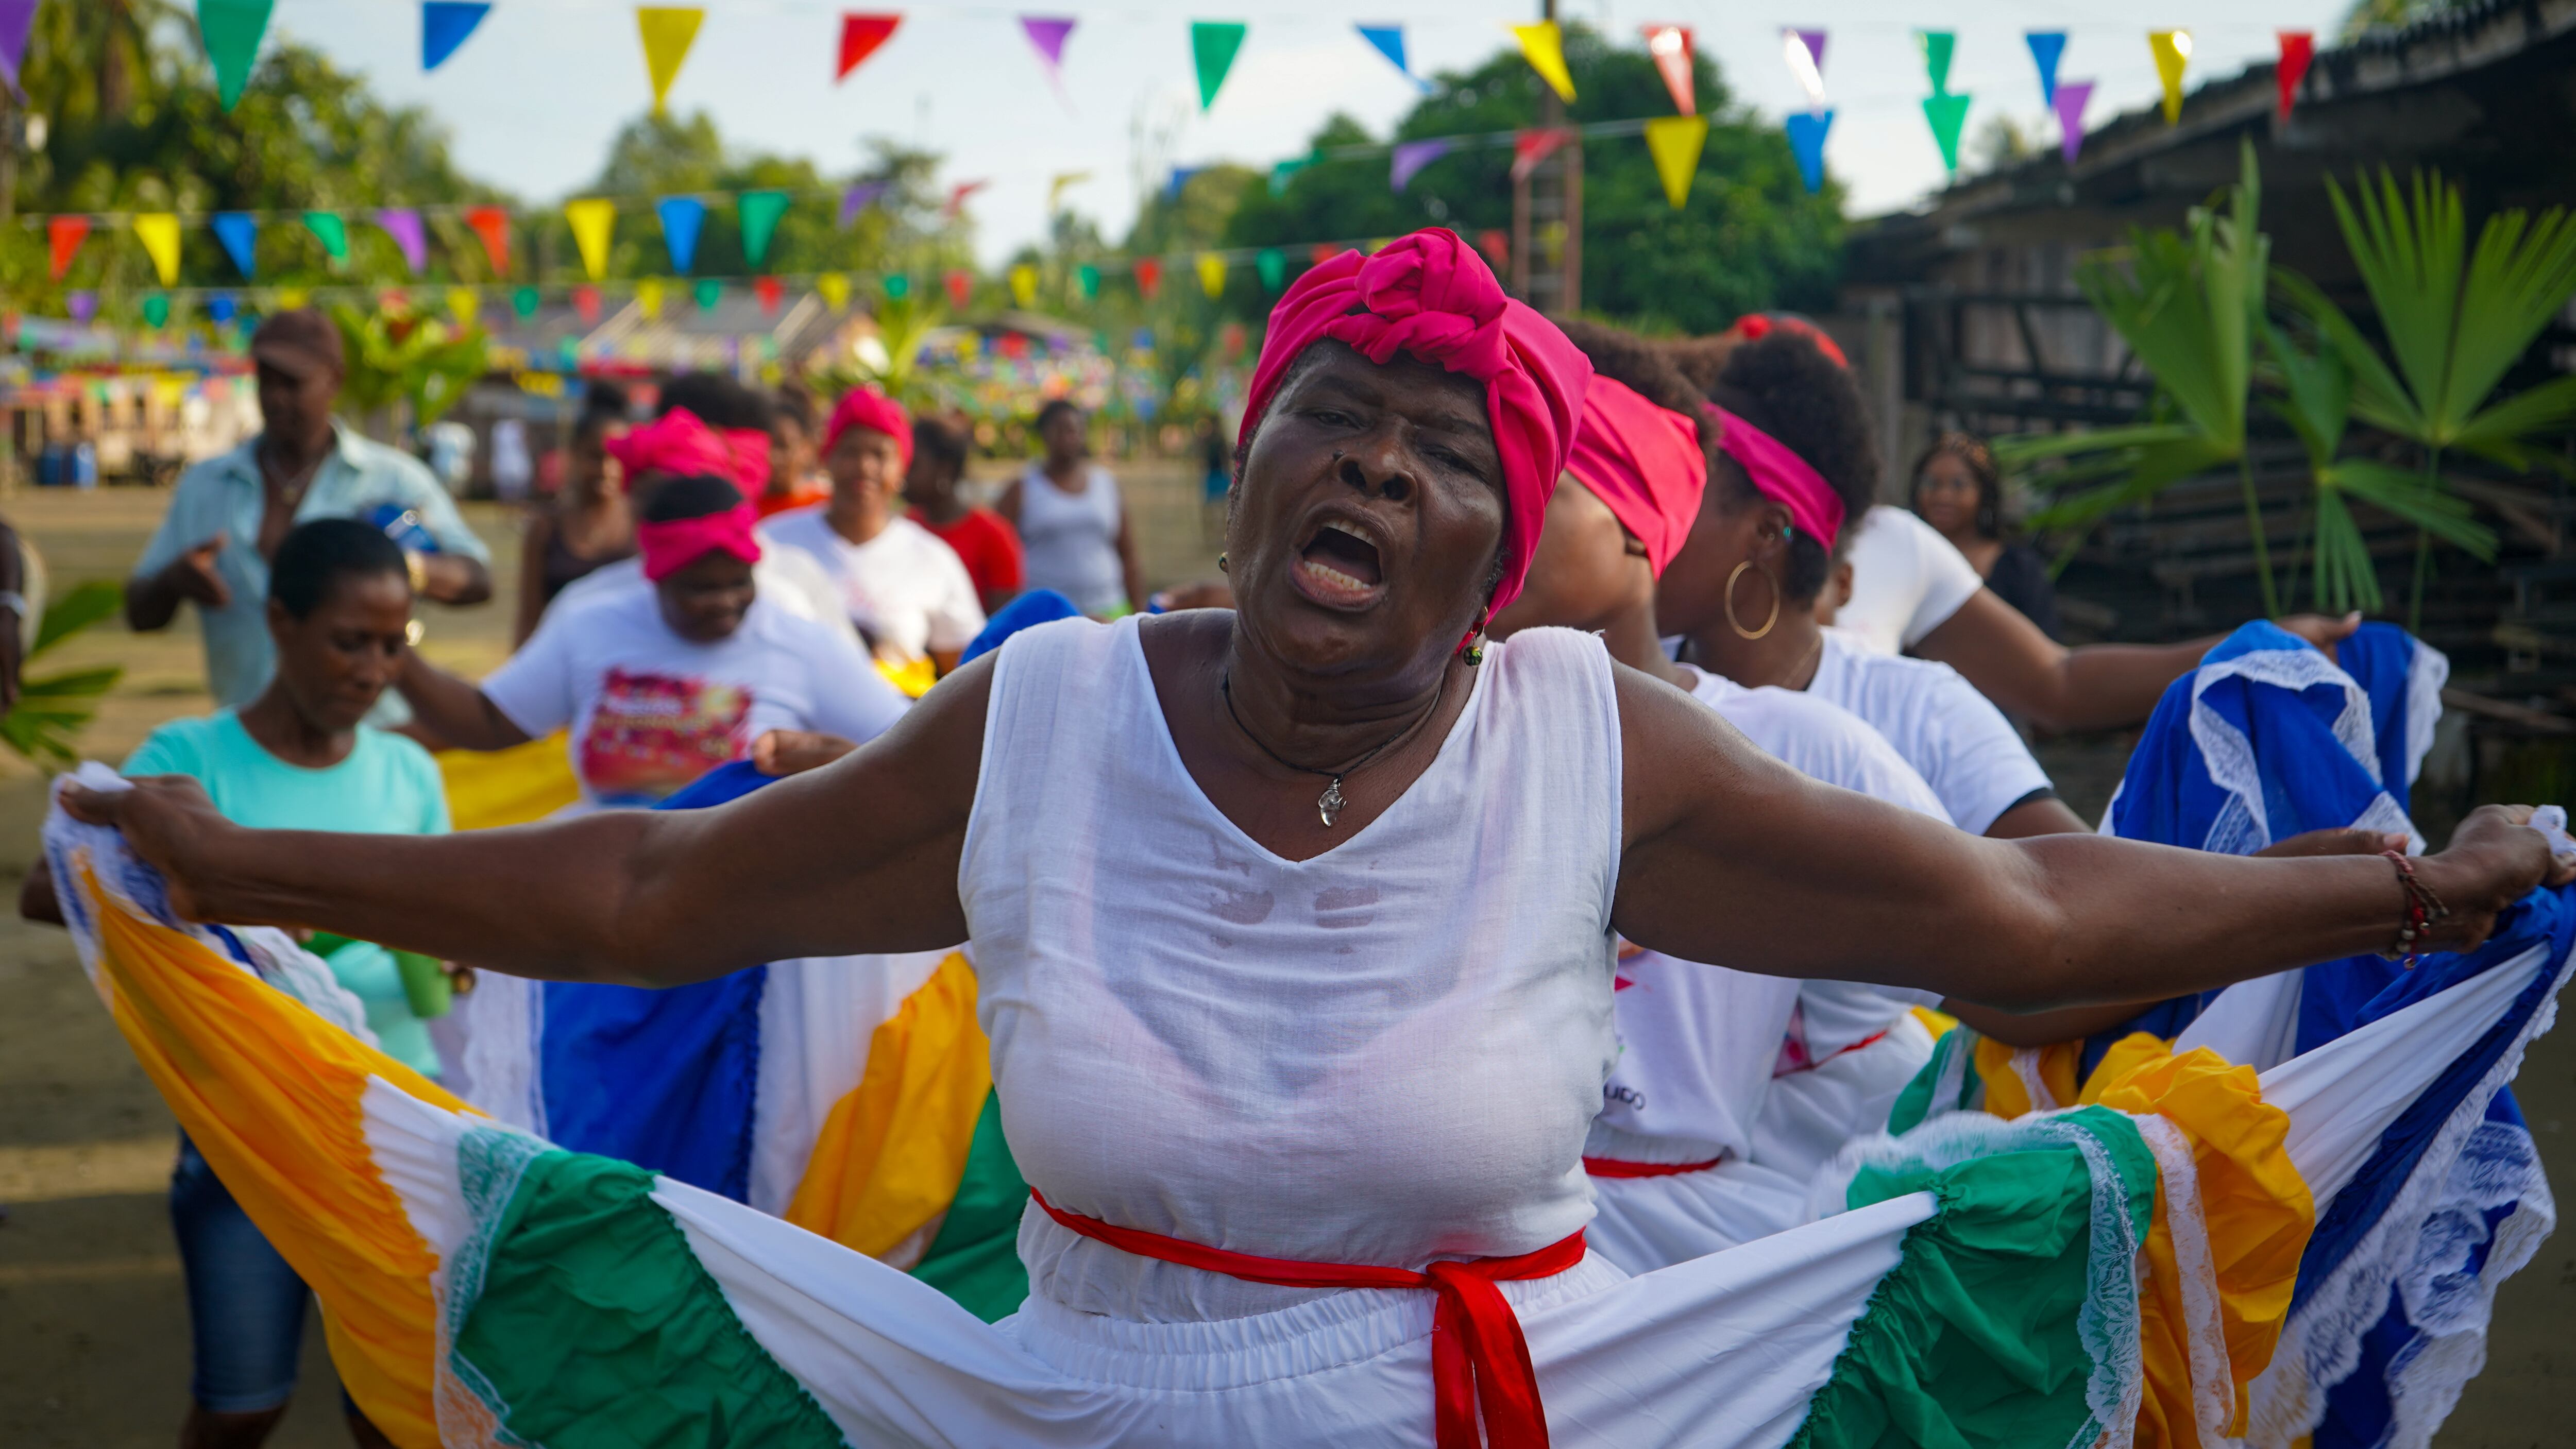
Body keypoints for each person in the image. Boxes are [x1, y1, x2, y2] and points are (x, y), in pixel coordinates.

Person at [72, 231, 2572, 1447]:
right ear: (1240, 462)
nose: (1381, 450)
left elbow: (2027, 922)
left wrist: (2393, 881)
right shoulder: (1043, 716)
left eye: (1451, 437)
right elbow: (649, 891)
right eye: (1334, 403)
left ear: (1511, 549)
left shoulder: (1600, 751)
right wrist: (256, 864)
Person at [32, 518, 448, 1449]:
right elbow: (49, 882)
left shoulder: (410, 773)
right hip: (242, 1131)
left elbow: (428, 966)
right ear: (280, 621)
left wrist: (450, 961)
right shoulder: (191, 758)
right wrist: (215, 899)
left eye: (395, 645)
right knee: (242, 1404)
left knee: (393, 1408)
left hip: (390, 1128)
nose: (374, 670)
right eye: (350, 641)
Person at [1655, 326, 2088, 839]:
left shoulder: (1921, 712)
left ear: (1767, 532)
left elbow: (2068, 886)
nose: (1646, 516)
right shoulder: (1625, 685)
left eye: (1678, 489)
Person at [398, 472, 906, 809]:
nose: (724, 601)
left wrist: (836, 760)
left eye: (739, 581)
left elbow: (911, 739)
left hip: (750, 920)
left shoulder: (800, 643)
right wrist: (397, 657)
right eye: (699, 588)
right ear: (654, 575)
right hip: (606, 902)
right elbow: (491, 722)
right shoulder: (590, 622)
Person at [125, 309, 493, 714]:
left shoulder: (392, 479)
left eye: (294, 383)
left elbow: (477, 579)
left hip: (371, 733)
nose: (276, 398)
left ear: (335, 379)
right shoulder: (207, 486)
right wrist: (174, 580)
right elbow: (139, 613)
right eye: (266, 382)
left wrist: (396, 567)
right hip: (249, 736)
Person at [761, 386, 985, 675]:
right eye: (851, 452)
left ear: (902, 468)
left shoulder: (933, 559)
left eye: (880, 455)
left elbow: (964, 675)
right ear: (827, 458)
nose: (864, 467)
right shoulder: (771, 543)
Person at [512, 381, 634, 645]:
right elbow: (529, 618)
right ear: (575, 455)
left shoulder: (641, 523)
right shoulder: (547, 527)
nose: (607, 469)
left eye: (618, 457)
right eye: (595, 457)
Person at [1907, 430, 2059, 639]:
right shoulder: (1904, 557)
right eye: (1931, 483)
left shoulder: (2019, 569)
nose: (1943, 496)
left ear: (1984, 493)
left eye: (1958, 485)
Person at [1001, 399, 1141, 616]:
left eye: (1076, 430)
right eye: (1061, 430)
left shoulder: (1106, 484)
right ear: (1044, 434)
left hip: (1110, 607)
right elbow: (998, 555)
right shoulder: (1023, 488)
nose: (1070, 437)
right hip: (1047, 615)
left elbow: (1128, 553)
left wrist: (1138, 611)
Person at [903, 412, 1025, 616]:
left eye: (913, 466)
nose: (903, 474)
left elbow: (1003, 627)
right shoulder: (905, 528)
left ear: (945, 470)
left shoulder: (994, 535)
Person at [759, 383, 833, 519]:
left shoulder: (826, 508)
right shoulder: (748, 511)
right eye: (767, 445)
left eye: (783, 446)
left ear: (807, 449)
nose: (773, 457)